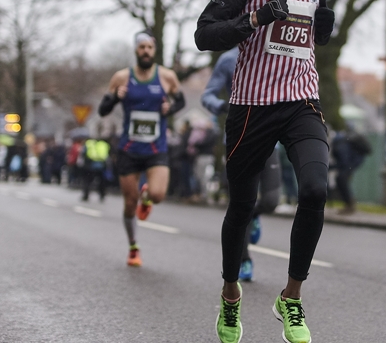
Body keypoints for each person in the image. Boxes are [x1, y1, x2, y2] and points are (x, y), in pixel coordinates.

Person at [195, 0, 336, 343]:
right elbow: (204, 35)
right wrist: (255, 19)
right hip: (253, 106)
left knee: (314, 190)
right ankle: (230, 293)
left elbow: (311, 38)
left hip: (301, 101)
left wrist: (324, 30)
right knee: (242, 206)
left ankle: (291, 296)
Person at [97, 32, 185, 268]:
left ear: (154, 51)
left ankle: (147, 196)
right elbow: (102, 110)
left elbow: (181, 101)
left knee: (158, 195)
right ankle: (133, 246)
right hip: (129, 149)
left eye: (149, 47)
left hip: (156, 147)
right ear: (136, 50)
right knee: (129, 203)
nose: (146, 51)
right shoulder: (122, 77)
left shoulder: (166, 76)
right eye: (141, 47)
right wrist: (116, 97)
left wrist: (170, 108)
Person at [201, 47, 283, 282]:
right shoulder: (228, 59)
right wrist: (222, 106)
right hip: (239, 138)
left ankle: (256, 214)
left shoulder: (274, 50)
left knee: (271, 201)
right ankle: (245, 260)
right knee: (240, 204)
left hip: (270, 138)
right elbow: (207, 95)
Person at [330, 127, 371, 215]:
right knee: (341, 178)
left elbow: (344, 162)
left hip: (354, 160)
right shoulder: (339, 143)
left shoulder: (339, 145)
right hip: (354, 159)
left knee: (341, 178)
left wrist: (330, 167)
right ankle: (349, 204)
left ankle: (350, 205)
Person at [81, 134, 110, 202]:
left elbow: (83, 153)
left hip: (90, 165)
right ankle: (102, 195)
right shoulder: (104, 144)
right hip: (101, 165)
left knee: (87, 181)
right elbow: (108, 154)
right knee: (101, 182)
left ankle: (86, 195)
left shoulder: (88, 143)